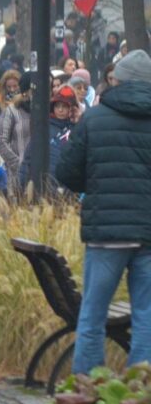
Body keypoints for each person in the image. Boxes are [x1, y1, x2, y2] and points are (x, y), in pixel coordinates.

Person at [56, 49, 151, 374]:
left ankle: (87, 386)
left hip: (106, 233)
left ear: (117, 81)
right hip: (148, 233)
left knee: (93, 314)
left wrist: (95, 183)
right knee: (146, 316)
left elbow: (66, 171)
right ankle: (141, 389)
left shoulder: (95, 118)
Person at [19, 85, 78, 191]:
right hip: (42, 185)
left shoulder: (77, 130)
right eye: (57, 106)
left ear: (72, 109)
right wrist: (21, 182)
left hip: (66, 188)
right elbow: (29, 157)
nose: (60, 110)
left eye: (64, 106)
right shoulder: (44, 128)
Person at [0, 71, 33, 194]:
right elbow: (0, 141)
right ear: (25, 91)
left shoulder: (48, 110)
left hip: (43, 179)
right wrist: (19, 165)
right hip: (17, 178)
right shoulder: (11, 111)